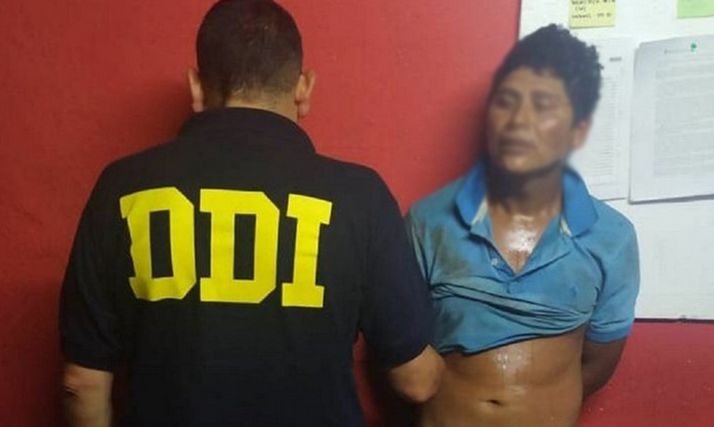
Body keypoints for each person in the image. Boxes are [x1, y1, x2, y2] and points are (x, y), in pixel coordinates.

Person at [59, 1, 443, 426]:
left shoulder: (123, 187)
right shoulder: (361, 196)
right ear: (303, 88)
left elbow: (82, 382)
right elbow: (416, 381)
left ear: (196, 88)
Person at [406, 25, 639, 427]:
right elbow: (403, 355)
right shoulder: (429, 222)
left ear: (578, 129)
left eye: (543, 105)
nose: (518, 121)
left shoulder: (611, 239)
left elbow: (599, 363)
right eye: (506, 102)